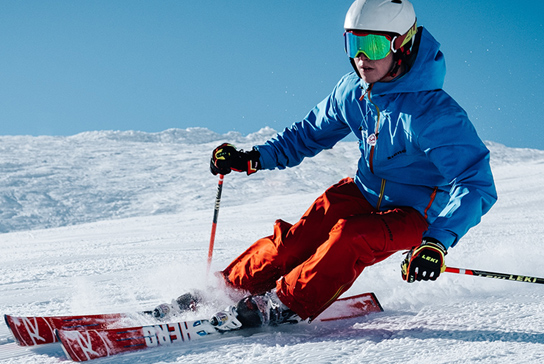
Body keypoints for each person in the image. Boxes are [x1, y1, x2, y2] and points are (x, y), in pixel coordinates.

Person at [159, 0, 498, 329]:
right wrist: (252, 158)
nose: (362, 58)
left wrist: (437, 242)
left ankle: (284, 304)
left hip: (416, 213)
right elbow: (307, 135)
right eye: (354, 44)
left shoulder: (434, 113)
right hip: (363, 191)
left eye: (375, 45)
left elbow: (475, 183)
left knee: (350, 236)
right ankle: (225, 290)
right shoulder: (353, 91)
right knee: (294, 242)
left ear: (402, 45)